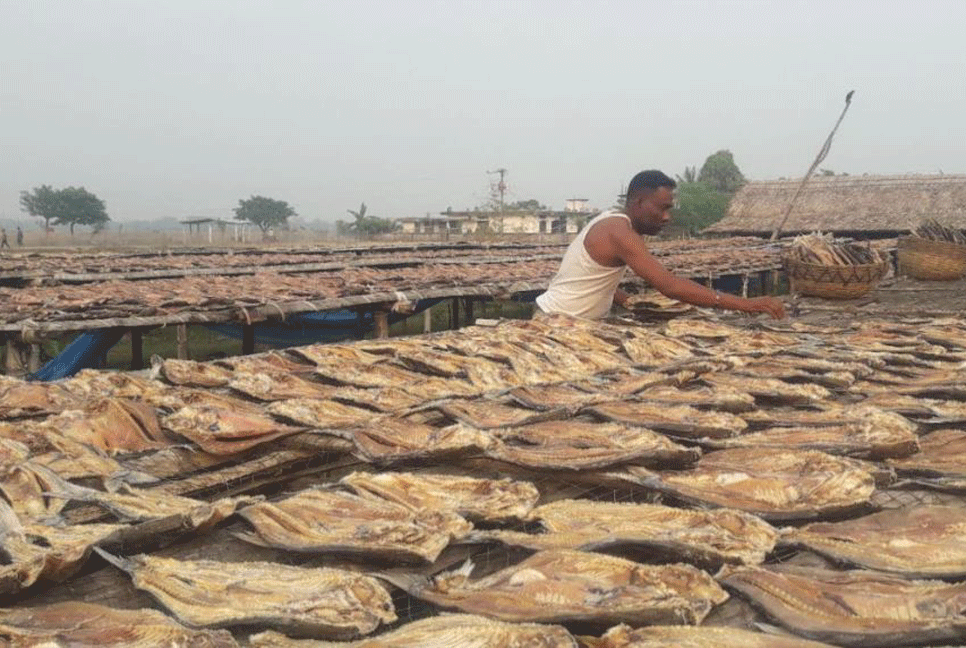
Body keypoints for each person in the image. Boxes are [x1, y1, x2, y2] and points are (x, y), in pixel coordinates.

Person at [535, 169, 785, 320]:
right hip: (555, 324)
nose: (667, 217)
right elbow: (668, 285)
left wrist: (626, 300)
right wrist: (746, 304)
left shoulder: (614, 222)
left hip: (571, 321)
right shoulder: (619, 231)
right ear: (640, 202)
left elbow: (587, 278)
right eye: (663, 208)